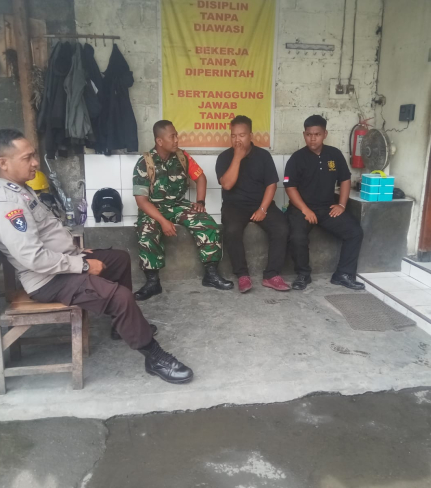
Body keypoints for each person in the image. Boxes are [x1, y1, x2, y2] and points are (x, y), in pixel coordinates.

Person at [0, 129, 193, 385]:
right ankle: (155, 358)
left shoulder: (21, 189)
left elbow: (46, 236)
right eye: (27, 158)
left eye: (34, 155)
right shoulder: (8, 202)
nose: (35, 162)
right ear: (3, 163)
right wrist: (81, 265)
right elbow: (33, 258)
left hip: (60, 263)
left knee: (119, 259)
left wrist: (76, 253)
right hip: (47, 280)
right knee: (121, 297)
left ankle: (120, 325)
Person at [133, 120, 233, 300]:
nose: (176, 140)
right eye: (172, 137)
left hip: (178, 205)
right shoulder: (145, 162)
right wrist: (163, 221)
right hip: (154, 207)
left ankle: (211, 275)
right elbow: (141, 201)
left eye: (176, 135)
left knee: (208, 224)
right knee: (147, 232)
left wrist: (200, 201)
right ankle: (152, 282)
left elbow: (201, 178)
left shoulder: (182, 157)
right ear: (159, 141)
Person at [284, 115, 365, 291]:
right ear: (304, 135)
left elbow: (345, 179)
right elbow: (290, 187)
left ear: (325, 134)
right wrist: (305, 210)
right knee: (297, 237)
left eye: (317, 134)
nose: (312, 138)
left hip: (327, 207)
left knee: (354, 232)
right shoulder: (297, 158)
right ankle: (303, 274)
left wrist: (341, 205)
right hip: (301, 208)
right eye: (308, 134)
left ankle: (343, 274)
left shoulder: (334, 154)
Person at [216, 115, 290, 293]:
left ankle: (271, 275)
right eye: (233, 136)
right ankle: (242, 275)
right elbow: (227, 185)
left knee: (282, 227)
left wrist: (263, 209)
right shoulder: (225, 157)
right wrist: (237, 158)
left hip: (261, 203)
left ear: (250, 136)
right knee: (232, 229)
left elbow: (271, 185)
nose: (237, 140)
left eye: (241, 135)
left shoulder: (263, 156)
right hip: (234, 206)